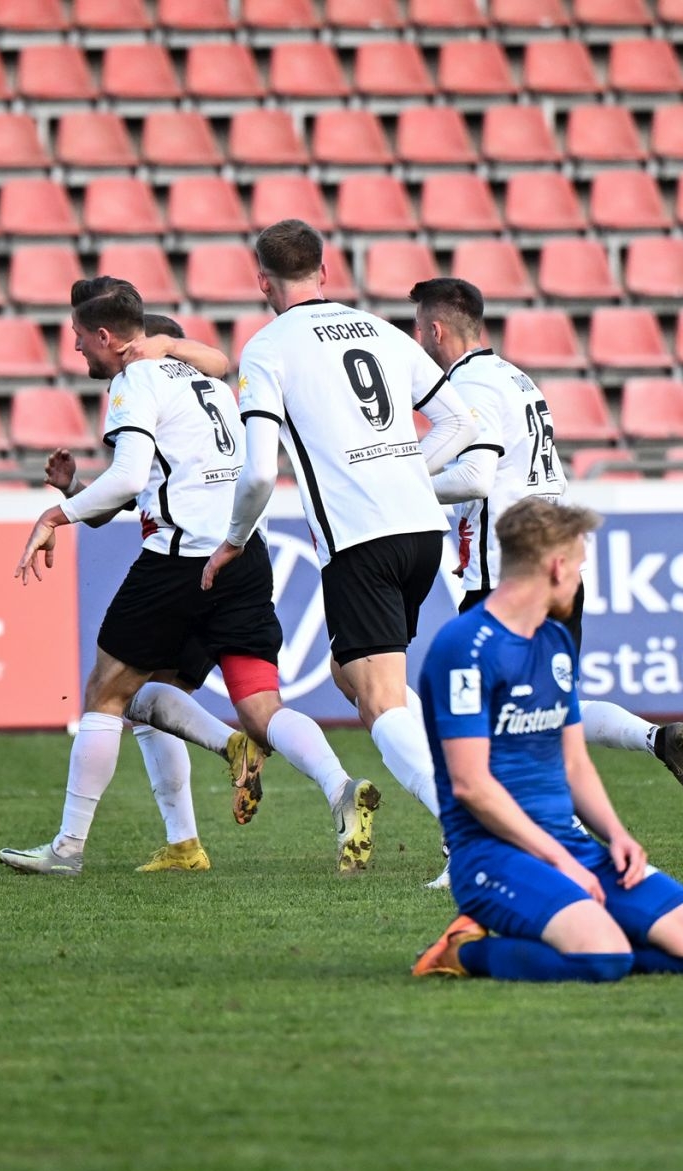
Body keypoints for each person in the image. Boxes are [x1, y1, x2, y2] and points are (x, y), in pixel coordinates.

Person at [0, 281, 376, 875]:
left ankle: (68, 850)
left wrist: (56, 513)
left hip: (180, 561)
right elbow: (153, 485)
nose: (77, 352)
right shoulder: (210, 385)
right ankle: (333, 790)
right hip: (241, 551)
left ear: (106, 336)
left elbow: (127, 481)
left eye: (78, 340)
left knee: (107, 691)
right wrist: (76, 491)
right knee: (236, 704)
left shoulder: (135, 380)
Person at [203, 220, 496, 865]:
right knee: (351, 675)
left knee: (380, 696)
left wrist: (233, 539)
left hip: (361, 538)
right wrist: (405, 470)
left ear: (262, 282)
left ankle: (471, 837)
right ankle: (464, 794)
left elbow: (257, 472)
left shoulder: (267, 348)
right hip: (423, 532)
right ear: (324, 272)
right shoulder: (382, 331)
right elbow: (460, 421)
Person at [409, 277, 683, 822]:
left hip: (508, 572)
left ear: (435, 330)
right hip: (560, 567)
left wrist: (402, 484)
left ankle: (494, 843)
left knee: (475, 717)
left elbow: (478, 478)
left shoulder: (471, 386)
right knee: (547, 709)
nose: (415, 337)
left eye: (417, 327)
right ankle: (654, 738)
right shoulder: (516, 378)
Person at [411, 499, 683, 981]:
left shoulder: (555, 641)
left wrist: (617, 835)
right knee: (602, 958)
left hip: (572, 848)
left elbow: (574, 762)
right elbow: (470, 786)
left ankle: (588, 934)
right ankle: (462, 951)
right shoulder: (464, 647)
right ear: (557, 566)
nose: (581, 580)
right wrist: (562, 861)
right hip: (492, 857)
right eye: (580, 566)